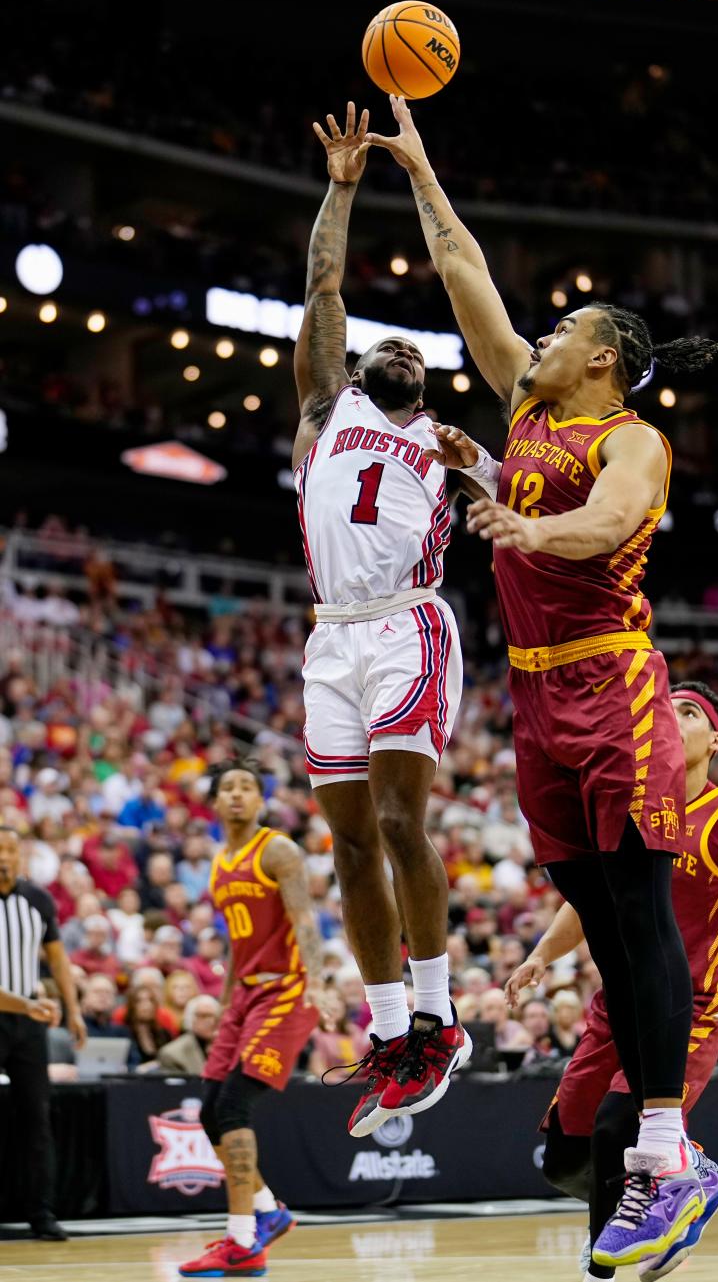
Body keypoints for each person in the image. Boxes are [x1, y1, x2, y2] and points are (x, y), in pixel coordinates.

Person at [369, 96, 718, 1266]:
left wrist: (528, 531)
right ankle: (666, 1158)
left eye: (565, 325)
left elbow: (610, 522)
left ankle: (665, 1157)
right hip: (533, 697)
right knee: (609, 940)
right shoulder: (524, 397)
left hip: (615, 687)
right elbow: (463, 264)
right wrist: (419, 168)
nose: (543, 334)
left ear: (604, 359)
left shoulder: (630, 438)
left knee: (637, 910)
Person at [289, 102, 469, 1140]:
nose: (394, 345)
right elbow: (323, 284)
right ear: (360, 371)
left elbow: (516, 495)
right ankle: (396, 1028)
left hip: (408, 624)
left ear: (421, 385)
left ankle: (442, 1018)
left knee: (402, 822)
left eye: (413, 345)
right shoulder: (327, 410)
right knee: (352, 843)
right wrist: (345, 183)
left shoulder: (442, 442)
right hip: (331, 636)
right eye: (382, 342)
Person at [504, 684, 718, 1280]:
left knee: (616, 1127)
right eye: (667, 708)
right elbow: (588, 900)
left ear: (715, 739)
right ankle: (688, 1177)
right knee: (565, 1156)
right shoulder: (629, 805)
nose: (672, 717)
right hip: (615, 1007)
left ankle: (601, 1265)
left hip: (686, 1011)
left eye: (688, 712)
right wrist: (542, 955)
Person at [178, 761, 326, 1278]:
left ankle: (243, 1239)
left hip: (287, 990)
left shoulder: (278, 849)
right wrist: (223, 1000)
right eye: (228, 788)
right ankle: (268, 1210)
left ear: (260, 801)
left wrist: (320, 982)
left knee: (236, 1103)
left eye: (247, 788)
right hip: (243, 996)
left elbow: (305, 918)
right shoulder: (219, 864)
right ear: (214, 802)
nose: (238, 795)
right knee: (209, 1111)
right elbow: (241, 945)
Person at [0, 825, 86, 1240]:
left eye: (10, 851)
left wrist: (74, 1011)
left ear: (22, 857)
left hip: (29, 1024)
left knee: (37, 1118)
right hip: (24, 1007)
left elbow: (58, 960)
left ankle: (41, 1212)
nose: (3, 857)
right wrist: (30, 1005)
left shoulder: (38, 899)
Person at [156, 995, 221, 1076]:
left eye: (215, 1017)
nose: (211, 1021)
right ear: (190, 1019)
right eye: (203, 1016)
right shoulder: (173, 1054)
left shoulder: (227, 1048)